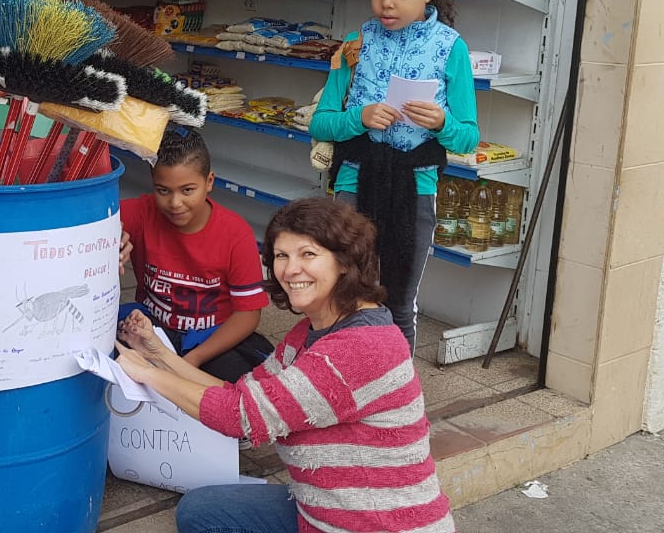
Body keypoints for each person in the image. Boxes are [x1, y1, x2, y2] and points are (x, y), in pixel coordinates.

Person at [115, 197, 455, 533]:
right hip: (321, 509)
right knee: (201, 510)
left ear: (344, 261)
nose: (291, 270)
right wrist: (159, 354)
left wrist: (148, 374)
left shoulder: (362, 348)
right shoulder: (308, 333)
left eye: (308, 254)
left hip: (376, 524)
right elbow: (241, 394)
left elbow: (241, 416)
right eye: (281, 256)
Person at [309, 0, 479, 351]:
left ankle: (396, 388)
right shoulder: (354, 43)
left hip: (415, 188)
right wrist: (359, 118)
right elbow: (321, 123)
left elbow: (469, 136)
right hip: (354, 182)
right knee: (344, 288)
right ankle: (338, 372)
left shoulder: (450, 48)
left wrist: (441, 122)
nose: (386, 3)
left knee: (399, 297)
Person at [119, 126, 273, 383]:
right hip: (149, 327)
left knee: (248, 387)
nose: (175, 203)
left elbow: (248, 314)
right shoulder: (140, 213)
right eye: (163, 190)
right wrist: (109, 242)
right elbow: (84, 221)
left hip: (211, 338)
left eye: (187, 190)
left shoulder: (236, 234)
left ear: (209, 182)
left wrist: (193, 360)